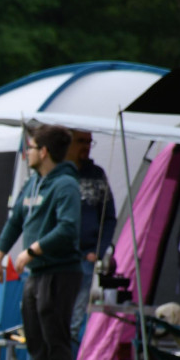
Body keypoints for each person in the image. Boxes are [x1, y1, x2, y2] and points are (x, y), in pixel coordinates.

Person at [0, 124, 81, 360]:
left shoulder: (66, 185)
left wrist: (32, 250)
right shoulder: (32, 183)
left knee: (55, 335)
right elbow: (15, 222)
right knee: (34, 335)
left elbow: (68, 228)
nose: (26, 153)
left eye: (30, 148)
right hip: (36, 273)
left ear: (43, 152)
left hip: (60, 271)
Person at [68, 130, 116, 341]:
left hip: (86, 260)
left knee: (75, 322)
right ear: (68, 143)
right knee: (54, 321)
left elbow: (109, 217)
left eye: (89, 142)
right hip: (59, 259)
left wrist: (99, 251)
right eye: (81, 141)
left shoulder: (97, 175)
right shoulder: (57, 174)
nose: (86, 146)